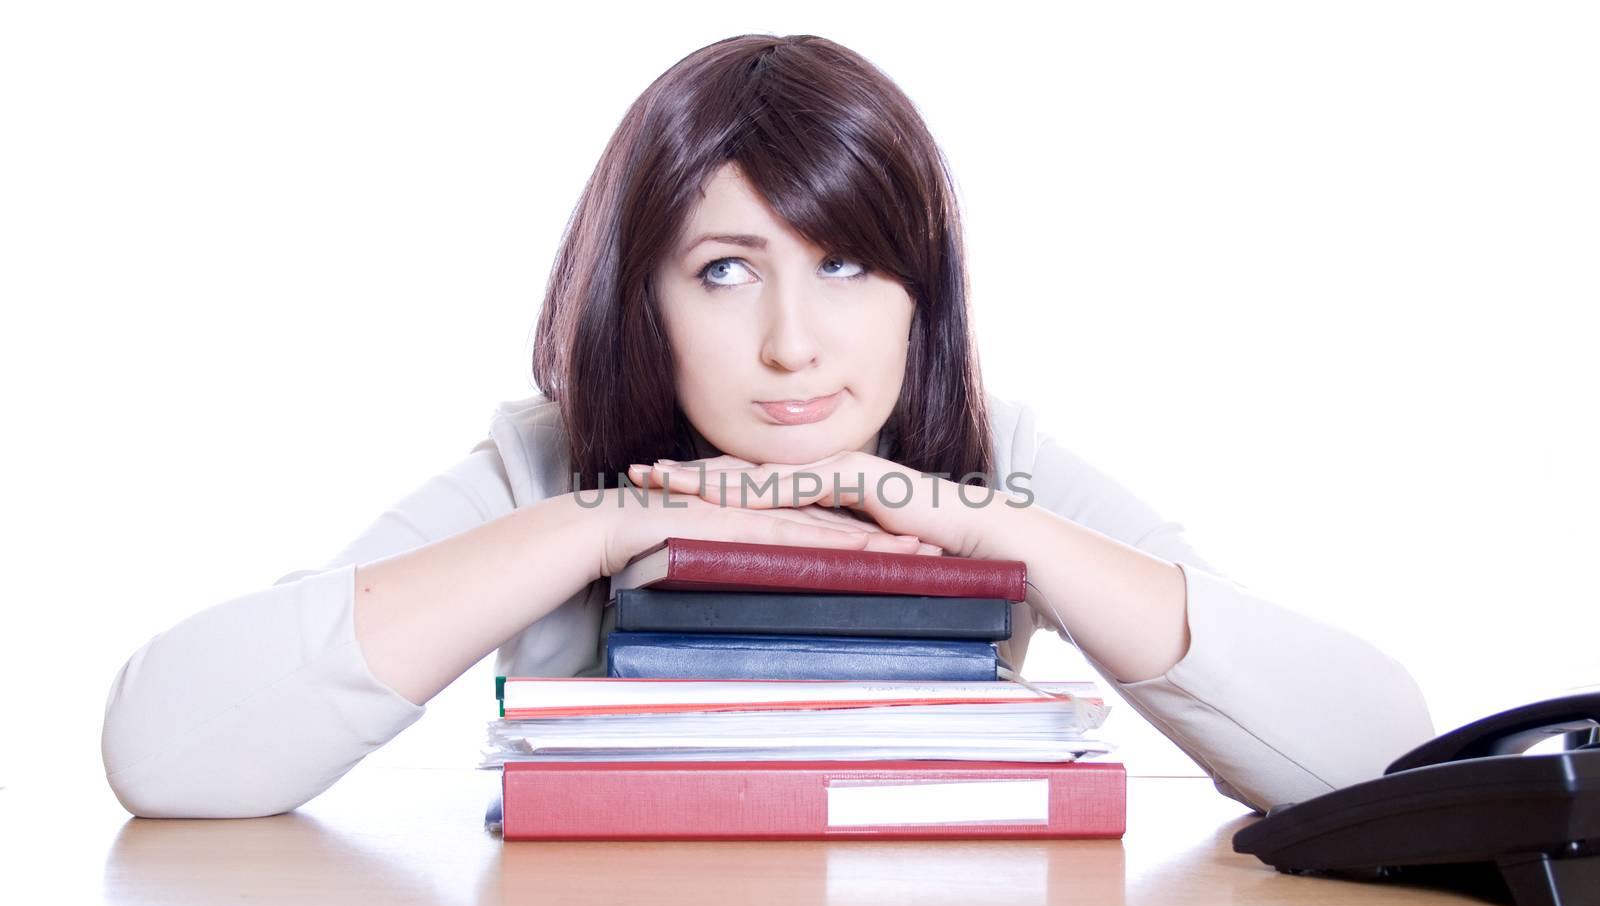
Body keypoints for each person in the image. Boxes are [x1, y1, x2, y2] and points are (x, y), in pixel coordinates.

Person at [100, 33, 1433, 819]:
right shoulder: (548, 457)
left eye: (847, 266)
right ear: (650, 299)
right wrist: (612, 516)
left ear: (923, 297)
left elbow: (1373, 756)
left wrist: (963, 517)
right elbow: (168, 749)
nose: (793, 342)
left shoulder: (995, 455)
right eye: (726, 271)